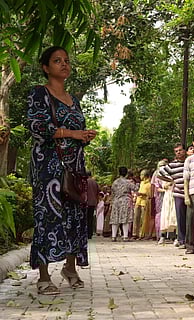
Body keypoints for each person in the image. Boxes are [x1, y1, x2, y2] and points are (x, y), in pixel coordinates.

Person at [27, 46, 97, 294]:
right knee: (48, 216)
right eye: (57, 61)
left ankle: (70, 267)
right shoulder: (40, 94)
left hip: (74, 167)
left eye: (66, 60)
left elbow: (77, 129)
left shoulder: (74, 99)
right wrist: (73, 133)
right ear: (46, 68)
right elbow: (37, 126)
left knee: (75, 216)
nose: (64, 64)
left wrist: (84, 136)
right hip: (49, 168)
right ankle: (44, 277)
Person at [158, 143, 187, 248]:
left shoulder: (189, 162)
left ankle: (189, 239)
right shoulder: (172, 165)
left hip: (190, 193)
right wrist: (171, 180)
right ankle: (182, 239)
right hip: (178, 193)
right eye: (176, 151)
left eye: (180, 150)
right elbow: (159, 173)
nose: (179, 152)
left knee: (190, 217)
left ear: (184, 151)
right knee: (180, 217)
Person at [110, 167, 138, 241]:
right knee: (125, 218)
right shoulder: (128, 182)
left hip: (116, 201)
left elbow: (112, 192)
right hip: (125, 201)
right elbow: (135, 188)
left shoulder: (115, 182)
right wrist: (137, 183)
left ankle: (113, 236)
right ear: (126, 173)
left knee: (115, 218)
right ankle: (125, 236)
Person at [85, 170, 100, 239]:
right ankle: (90, 233)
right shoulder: (95, 182)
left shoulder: (85, 182)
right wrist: (97, 202)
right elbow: (98, 192)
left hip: (86, 202)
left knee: (85, 218)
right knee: (90, 218)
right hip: (93, 202)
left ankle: (86, 233)